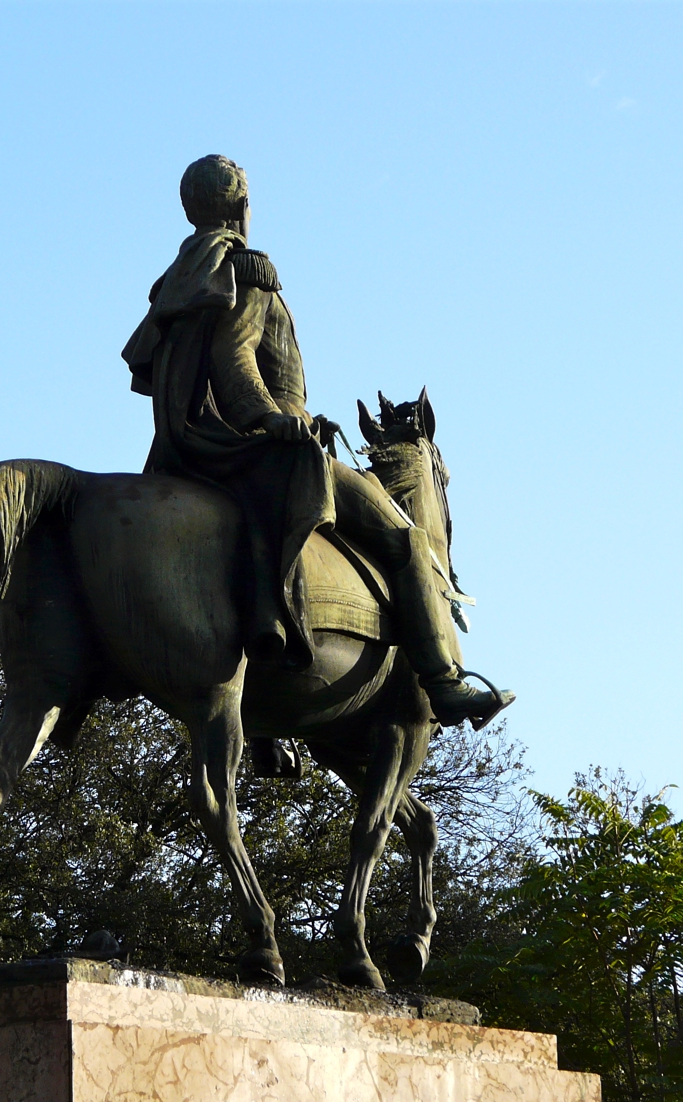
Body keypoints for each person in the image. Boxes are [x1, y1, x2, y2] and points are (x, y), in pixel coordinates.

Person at [122, 155, 512, 736]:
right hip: (256, 445)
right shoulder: (244, 269)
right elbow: (235, 360)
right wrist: (276, 418)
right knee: (406, 540)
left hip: (183, 451)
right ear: (239, 207)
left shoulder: (177, 280)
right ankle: (443, 683)